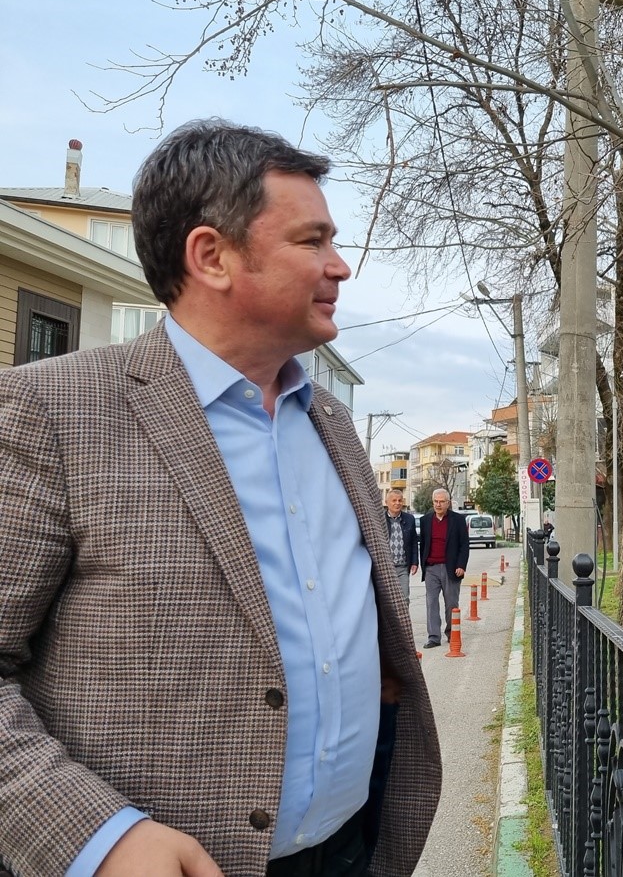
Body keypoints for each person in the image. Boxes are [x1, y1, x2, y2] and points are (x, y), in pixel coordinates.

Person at [0, 119, 441, 877]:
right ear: (211, 256)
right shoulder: (51, 412)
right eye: (312, 241)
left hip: (349, 847)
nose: (339, 266)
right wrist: (95, 839)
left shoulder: (331, 423)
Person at [418, 489, 469, 649]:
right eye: (436, 501)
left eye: (441, 501)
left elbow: (464, 545)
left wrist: (461, 565)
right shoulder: (426, 520)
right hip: (431, 568)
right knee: (431, 603)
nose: (438, 504)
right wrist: (423, 565)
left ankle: (452, 632)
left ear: (448, 503)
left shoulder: (458, 520)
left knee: (451, 603)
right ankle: (433, 637)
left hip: (451, 568)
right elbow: (423, 544)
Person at [384, 489, 420, 606]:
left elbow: (414, 542)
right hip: (385, 568)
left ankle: (404, 618)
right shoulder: (380, 519)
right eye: (394, 500)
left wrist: (414, 562)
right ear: (387, 502)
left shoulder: (409, 519)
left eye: (400, 500)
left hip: (403, 567)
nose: (397, 503)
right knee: (386, 600)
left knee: (404, 599)